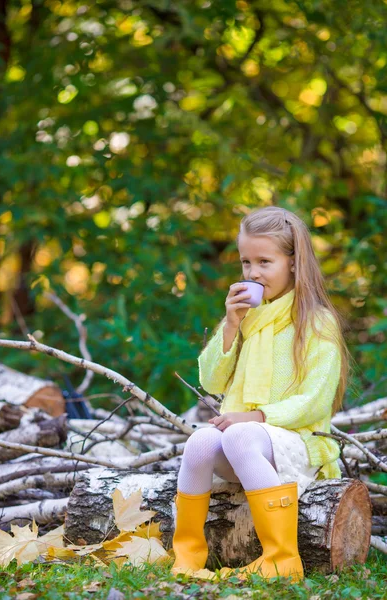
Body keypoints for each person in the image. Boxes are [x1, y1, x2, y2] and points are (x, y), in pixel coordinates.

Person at [171, 206, 351, 581]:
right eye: (245, 262)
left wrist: (254, 418)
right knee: (199, 444)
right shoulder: (248, 318)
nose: (252, 273)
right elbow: (213, 382)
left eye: (264, 262)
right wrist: (231, 325)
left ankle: (282, 558)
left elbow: (315, 401)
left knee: (238, 434)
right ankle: (188, 553)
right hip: (249, 444)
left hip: (298, 444)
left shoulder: (316, 322)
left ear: (293, 263)